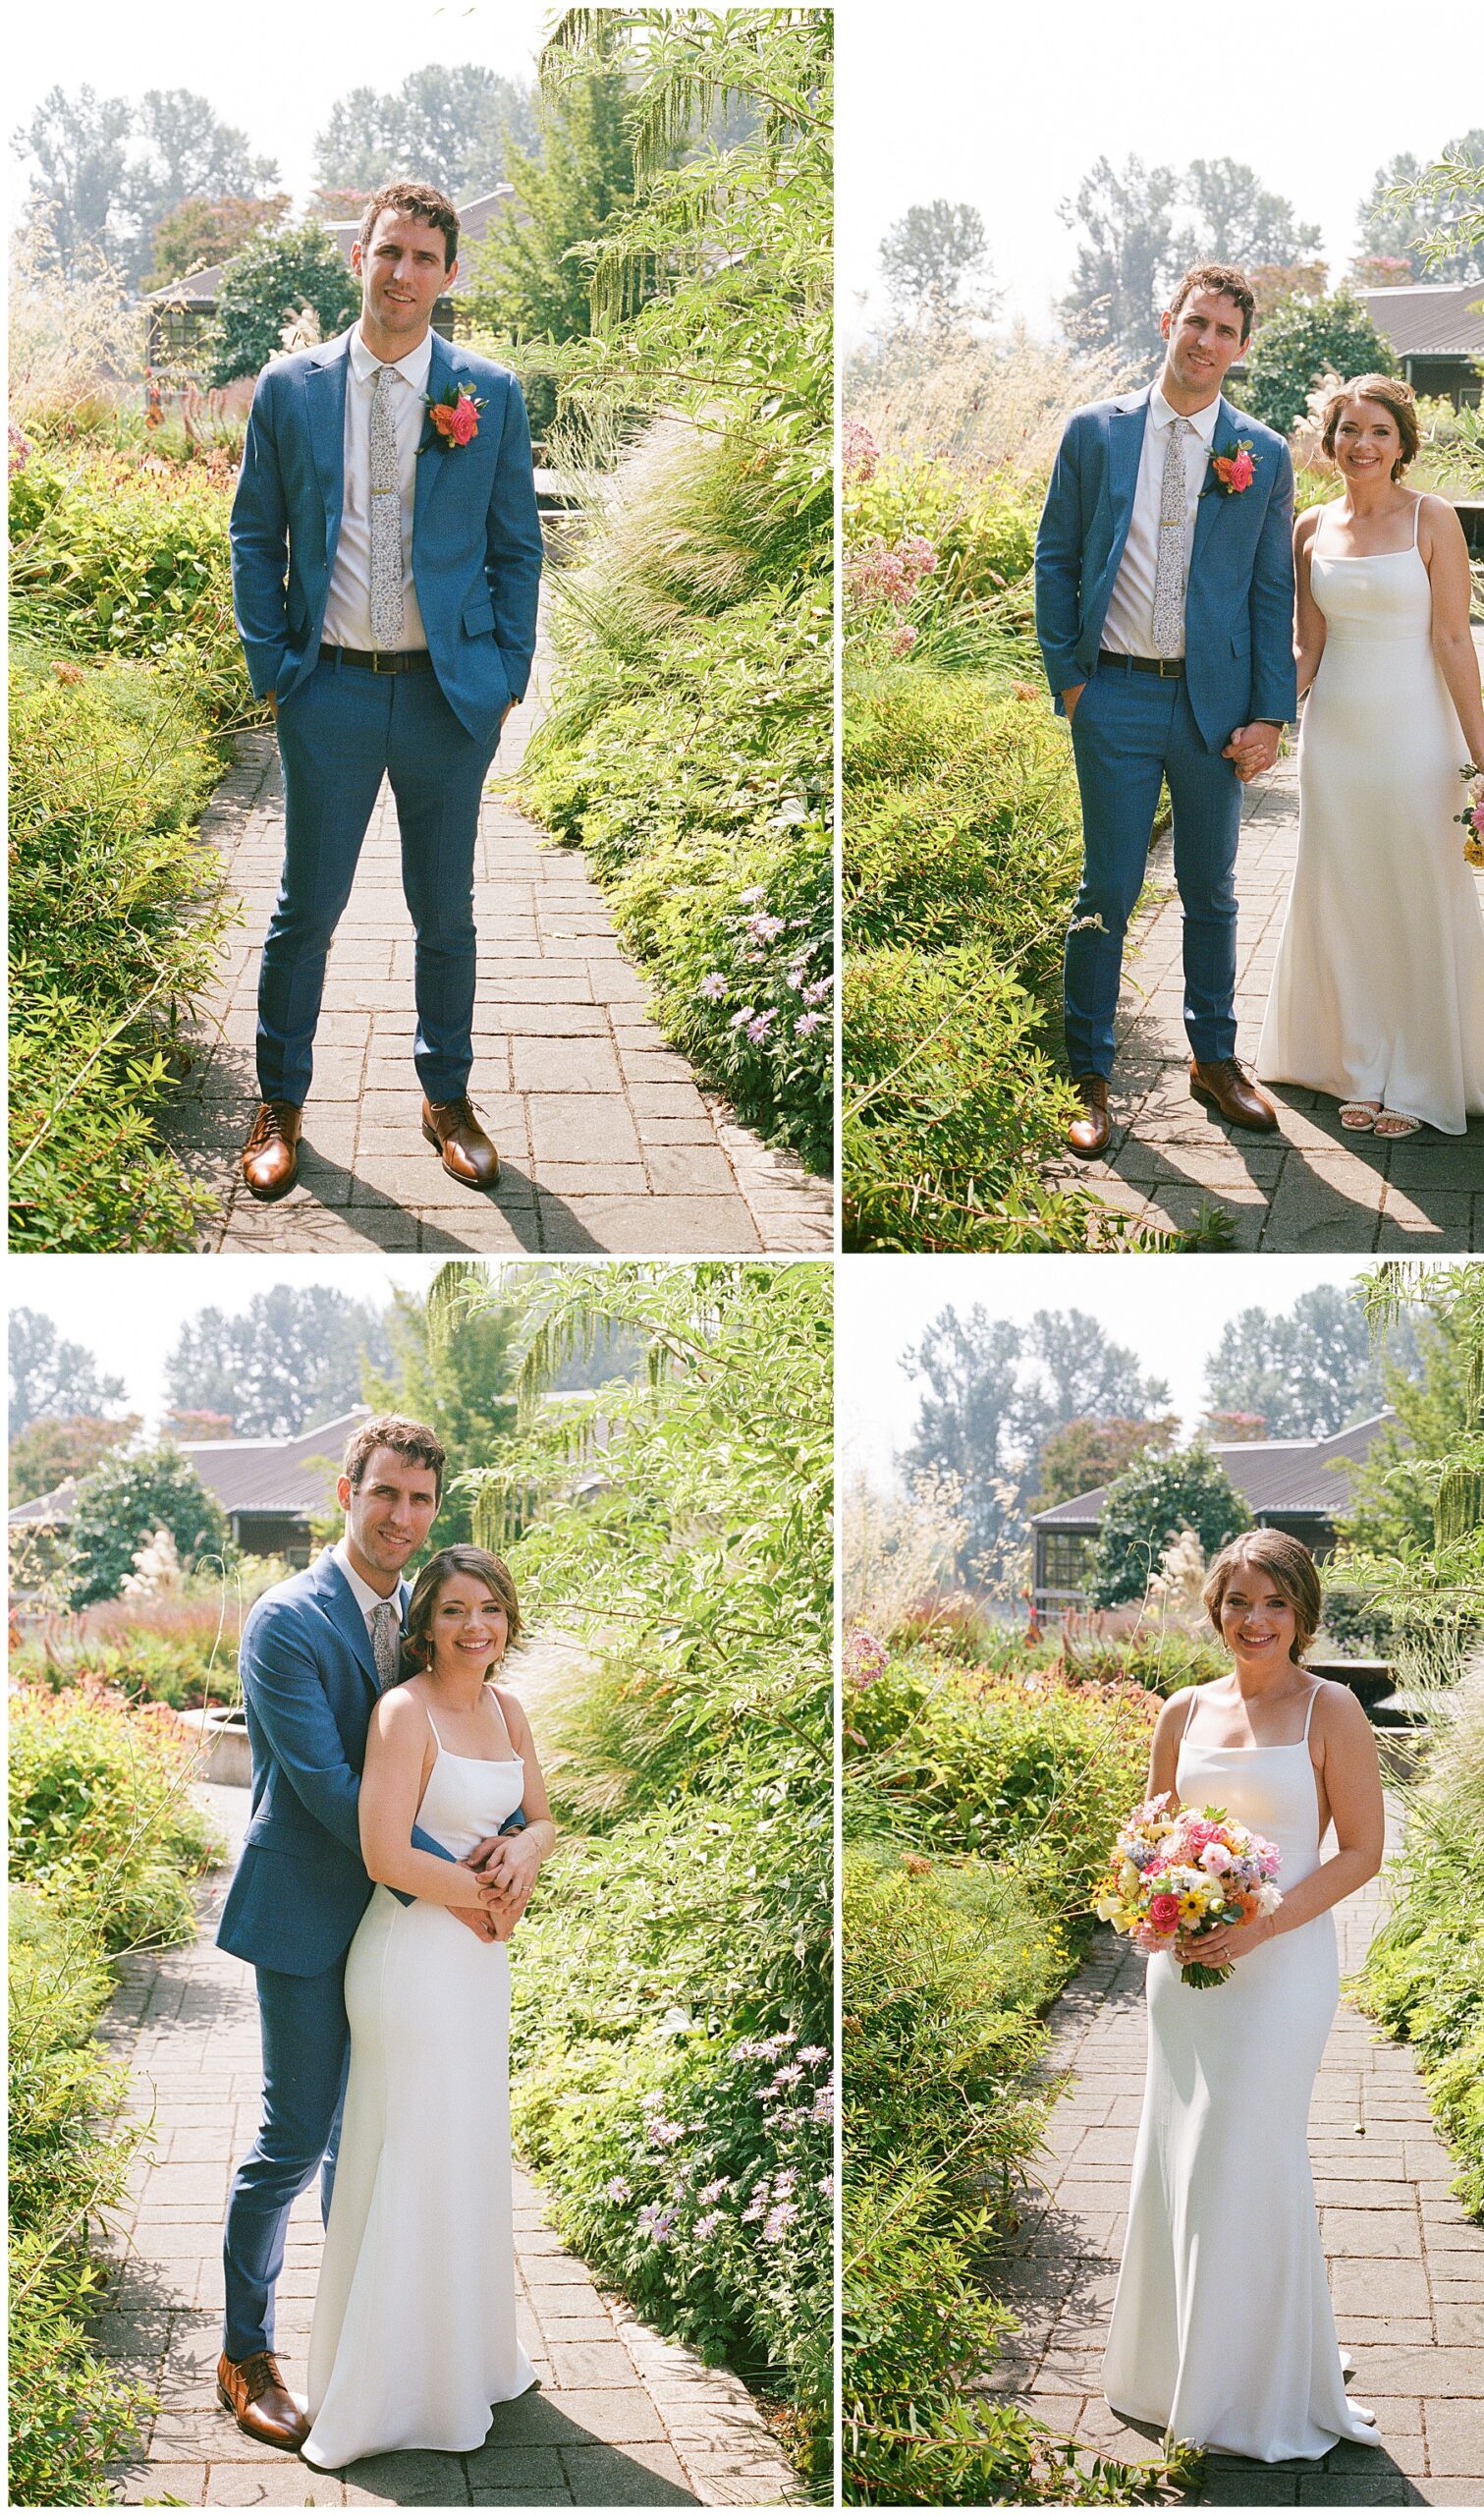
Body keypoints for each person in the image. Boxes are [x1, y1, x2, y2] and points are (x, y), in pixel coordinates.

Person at [216, 1419, 531, 2451]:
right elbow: (331, 1792)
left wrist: (519, 1846)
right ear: (345, 1491)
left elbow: (472, 1743)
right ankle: (246, 2351)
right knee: (295, 2138)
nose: (403, 1517)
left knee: (381, 2141)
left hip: (411, 1937)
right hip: (314, 1915)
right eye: (385, 1494)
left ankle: (367, 2344)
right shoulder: (285, 1619)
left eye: (421, 1500)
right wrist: (458, 1885)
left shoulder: (425, 1610)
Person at [229, 180, 545, 1202]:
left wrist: (504, 679)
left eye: (423, 258)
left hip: (448, 701)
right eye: (388, 252)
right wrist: (277, 666)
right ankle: (280, 1101)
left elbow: (516, 548)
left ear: (450, 276)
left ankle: (444, 1097)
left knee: (444, 911)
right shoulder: (291, 388)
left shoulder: (486, 395)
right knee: (304, 908)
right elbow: (252, 532)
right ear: (356, 258)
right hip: (328, 695)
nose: (402, 273)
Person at [1103, 1530, 1385, 2463]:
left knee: (1249, 2150)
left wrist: (1261, 1926)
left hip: (1283, 1970)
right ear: (1215, 1610)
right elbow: (1152, 1839)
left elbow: (1360, 1854)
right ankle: (1176, 2366)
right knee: (1181, 2149)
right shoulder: (1182, 1713)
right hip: (1184, 1974)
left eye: (1274, 1604)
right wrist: (1149, 1912)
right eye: (1237, 1603)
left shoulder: (1330, 1711)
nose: (1253, 1622)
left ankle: (1260, 2384)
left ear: (1302, 1614)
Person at [1034, 263, 1297, 1158]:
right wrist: (1072, 679)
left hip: (1213, 708)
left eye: (1226, 331)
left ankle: (1214, 1060)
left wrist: (1269, 714)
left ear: (1242, 347)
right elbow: (1057, 559)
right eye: (1196, 323)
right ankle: (1089, 1075)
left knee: (1213, 891)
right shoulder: (1094, 433)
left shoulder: (1260, 453)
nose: (1207, 343)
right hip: (1112, 694)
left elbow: (1270, 593)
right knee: (1106, 887)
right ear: (1166, 322)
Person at [302, 1544, 555, 2468]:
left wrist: (525, 1857)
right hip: (412, 1959)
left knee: (464, 2155)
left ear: (507, 1621)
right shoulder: (403, 1712)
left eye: (488, 1609)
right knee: (411, 2155)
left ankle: (466, 2363)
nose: (472, 1626)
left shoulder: (508, 1708)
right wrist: (481, 1898)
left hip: (480, 1967)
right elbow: (382, 1853)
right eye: (452, 1610)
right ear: (425, 1625)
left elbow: (541, 1815)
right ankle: (390, 2392)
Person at [1255, 375, 1484, 1137]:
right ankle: (1354, 1060)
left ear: (1403, 444)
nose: (1362, 445)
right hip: (1336, 734)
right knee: (1344, 889)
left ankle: (1418, 1071)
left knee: (1413, 885)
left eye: (1378, 431)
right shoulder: (1309, 527)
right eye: (1348, 431)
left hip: (1415, 733)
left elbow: (1452, 638)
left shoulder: (1431, 518)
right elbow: (1309, 643)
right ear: (1328, 440)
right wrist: (1272, 721)